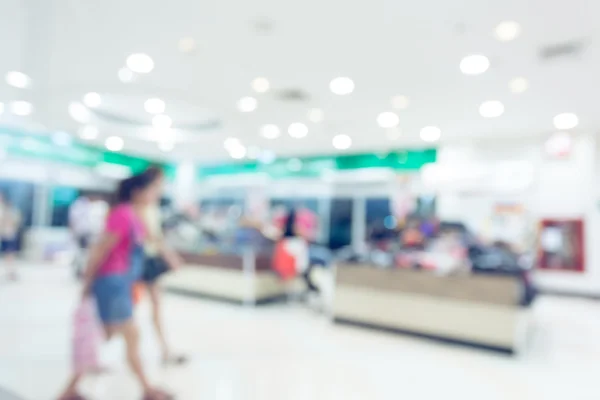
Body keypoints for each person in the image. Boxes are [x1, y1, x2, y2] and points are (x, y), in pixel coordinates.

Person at [58, 170, 173, 400]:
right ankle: (147, 389)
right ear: (138, 192)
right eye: (153, 189)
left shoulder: (132, 214)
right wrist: (88, 282)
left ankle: (71, 389)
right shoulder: (122, 214)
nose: (156, 194)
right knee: (129, 334)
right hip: (112, 281)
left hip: (120, 282)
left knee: (105, 334)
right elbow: (101, 249)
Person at [138, 167, 186, 366]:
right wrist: (171, 256)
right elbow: (151, 236)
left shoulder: (151, 206)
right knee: (125, 311)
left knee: (155, 306)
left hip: (147, 262)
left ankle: (165, 349)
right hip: (139, 261)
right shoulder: (140, 206)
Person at [0, 193, 22, 280]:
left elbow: (16, 221)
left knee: (9, 254)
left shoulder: (8, 209)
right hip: (5, 234)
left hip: (8, 234)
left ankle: (11, 272)